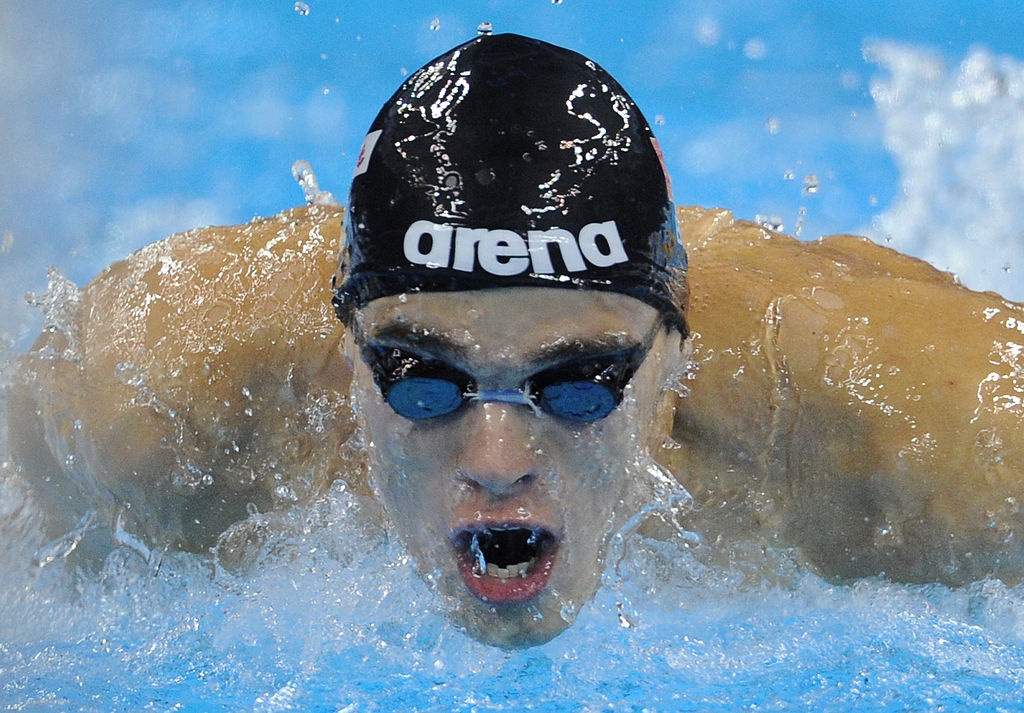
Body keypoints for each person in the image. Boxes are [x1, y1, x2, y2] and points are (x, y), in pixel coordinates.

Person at [7, 33, 1024, 648]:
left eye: (577, 383)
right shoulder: (143, 404)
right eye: (421, 381)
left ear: (677, 349)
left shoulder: (931, 438)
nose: (494, 462)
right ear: (345, 350)